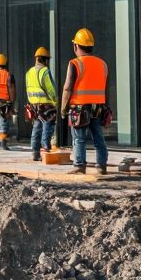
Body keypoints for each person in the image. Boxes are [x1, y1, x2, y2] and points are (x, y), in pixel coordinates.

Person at [60, 28, 110, 175]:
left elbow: (67, 87)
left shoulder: (74, 63)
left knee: (79, 139)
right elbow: (105, 87)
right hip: (98, 106)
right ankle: (101, 166)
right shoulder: (102, 64)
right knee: (99, 138)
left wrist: (63, 107)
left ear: (76, 46)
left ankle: (79, 165)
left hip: (79, 107)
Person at [24, 47, 59, 162]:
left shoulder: (29, 72)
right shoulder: (44, 71)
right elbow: (50, 88)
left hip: (34, 105)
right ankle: (45, 150)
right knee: (47, 128)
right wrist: (56, 102)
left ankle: (35, 152)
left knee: (37, 128)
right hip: (46, 105)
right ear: (45, 60)